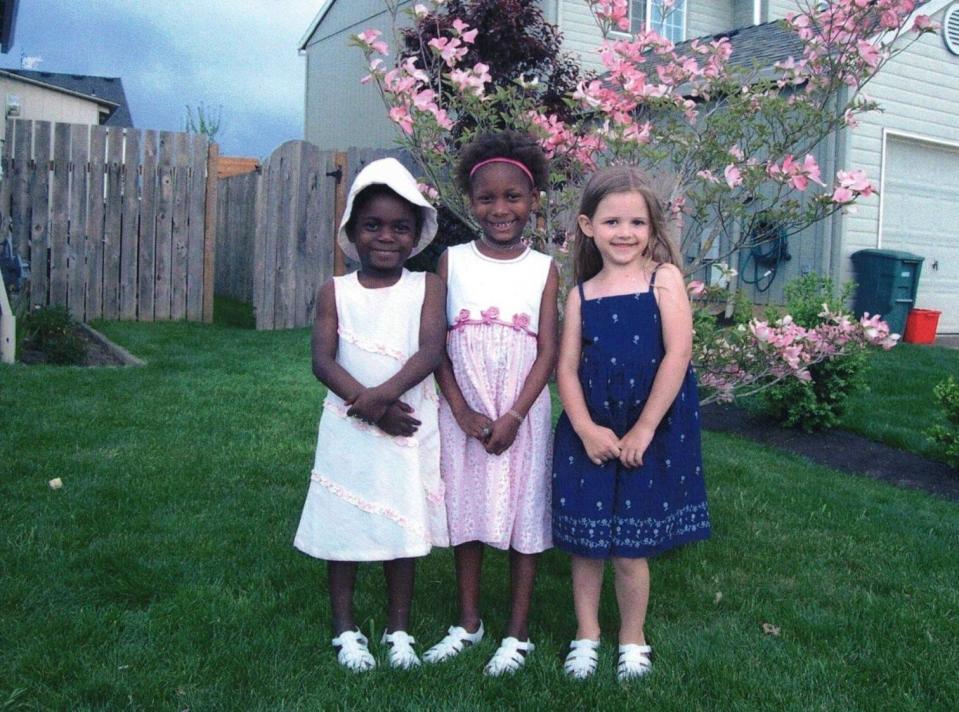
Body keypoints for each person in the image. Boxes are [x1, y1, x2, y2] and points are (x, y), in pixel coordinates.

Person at [551, 166, 710, 681]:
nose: (625, 232)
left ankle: (632, 637)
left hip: (651, 426)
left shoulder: (662, 279)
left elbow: (678, 353)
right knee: (587, 541)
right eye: (612, 220)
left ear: (652, 228)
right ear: (587, 225)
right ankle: (587, 632)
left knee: (630, 546)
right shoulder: (581, 294)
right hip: (591, 431)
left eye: (637, 222)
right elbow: (567, 368)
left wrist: (643, 428)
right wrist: (583, 427)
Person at [293, 158, 448, 673]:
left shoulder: (426, 287)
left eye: (400, 227)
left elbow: (429, 352)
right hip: (350, 426)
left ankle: (397, 627)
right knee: (347, 521)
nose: (386, 237)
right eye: (373, 225)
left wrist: (383, 399)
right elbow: (322, 360)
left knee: (399, 523)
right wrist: (371, 409)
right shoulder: (334, 291)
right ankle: (345, 628)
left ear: (416, 234)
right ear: (353, 232)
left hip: (406, 423)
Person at [423, 131, 559, 676]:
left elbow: (548, 349)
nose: (500, 209)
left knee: (525, 515)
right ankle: (469, 622)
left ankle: (518, 633)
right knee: (470, 514)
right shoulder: (451, 262)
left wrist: (516, 415)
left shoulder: (544, 268)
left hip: (520, 411)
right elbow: (434, 346)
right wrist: (460, 410)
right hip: (466, 412)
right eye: (487, 198)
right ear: (470, 201)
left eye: (513, 198)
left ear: (532, 201)